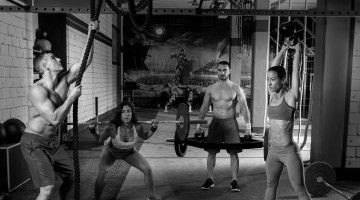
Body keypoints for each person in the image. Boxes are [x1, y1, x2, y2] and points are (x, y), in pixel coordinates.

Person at [20, 21, 99, 200]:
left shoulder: (64, 80)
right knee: (47, 188)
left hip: (53, 143)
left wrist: (91, 34)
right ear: (45, 67)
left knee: (72, 176)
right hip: (34, 143)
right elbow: (54, 119)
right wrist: (71, 97)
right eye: (55, 58)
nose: (60, 59)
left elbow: (85, 61)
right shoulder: (37, 90)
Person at [264, 42, 311, 200]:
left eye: (273, 80)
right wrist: (284, 48)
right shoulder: (272, 95)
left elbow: (295, 74)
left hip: (288, 151)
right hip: (273, 151)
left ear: (282, 80)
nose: (269, 83)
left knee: (299, 189)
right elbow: (273, 66)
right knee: (270, 185)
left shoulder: (290, 97)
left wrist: (297, 51)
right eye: (268, 80)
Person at [197, 60, 251, 192]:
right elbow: (204, 107)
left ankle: (234, 181)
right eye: (219, 70)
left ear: (229, 71)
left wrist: (248, 127)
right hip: (216, 122)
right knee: (211, 152)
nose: (222, 73)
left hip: (230, 122)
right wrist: (199, 124)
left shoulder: (235, 88)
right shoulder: (211, 88)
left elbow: (244, 107)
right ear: (217, 71)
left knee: (233, 153)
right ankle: (210, 179)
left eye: (224, 70)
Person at [92, 102, 162, 200]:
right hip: (111, 152)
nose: (127, 114)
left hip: (129, 153)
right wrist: (93, 131)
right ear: (120, 114)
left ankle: (151, 195)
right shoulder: (112, 127)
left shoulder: (137, 127)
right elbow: (99, 140)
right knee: (102, 172)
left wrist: (153, 128)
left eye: (129, 111)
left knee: (147, 169)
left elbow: (145, 136)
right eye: (123, 112)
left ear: (132, 113)